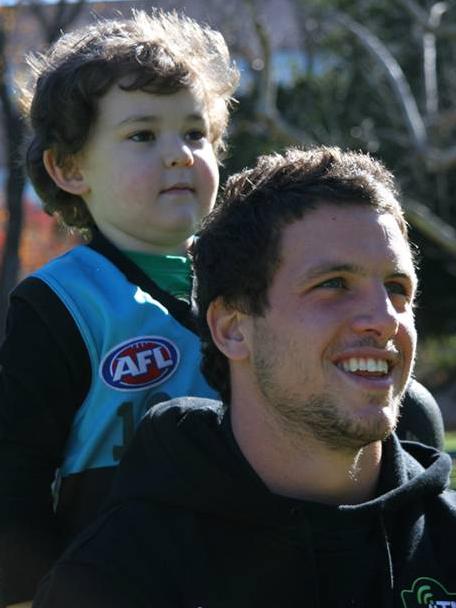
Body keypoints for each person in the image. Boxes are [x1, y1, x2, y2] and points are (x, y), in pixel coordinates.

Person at [32, 146, 456, 608]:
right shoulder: (115, 579)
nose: (384, 318)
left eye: (397, 289)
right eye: (333, 284)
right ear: (233, 329)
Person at [0, 9, 239, 607]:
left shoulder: (255, 286)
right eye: (142, 135)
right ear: (70, 167)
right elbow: (14, 475)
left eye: (194, 133)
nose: (180, 154)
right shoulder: (62, 303)